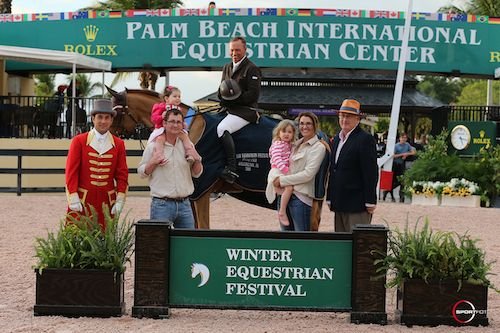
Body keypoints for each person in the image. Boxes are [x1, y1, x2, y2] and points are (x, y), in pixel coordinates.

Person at [65, 99, 129, 229]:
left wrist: (120, 198)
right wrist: (73, 196)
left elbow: (122, 174)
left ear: (111, 120)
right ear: (93, 119)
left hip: (107, 202)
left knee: (105, 240)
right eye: (99, 117)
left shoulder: (118, 144)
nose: (103, 121)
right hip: (82, 200)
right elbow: (71, 172)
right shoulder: (79, 141)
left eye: (107, 118)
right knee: (76, 238)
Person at [138, 107, 203, 229]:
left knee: (187, 244)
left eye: (178, 122)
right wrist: (153, 162)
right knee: (159, 244)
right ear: (164, 123)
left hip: (185, 205)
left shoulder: (188, 145)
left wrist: (198, 160)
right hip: (161, 205)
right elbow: (141, 173)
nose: (175, 125)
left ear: (182, 125)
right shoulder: (153, 147)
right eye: (172, 121)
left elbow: (197, 173)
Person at [327, 99, 378, 232]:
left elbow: (370, 172)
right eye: (342, 116)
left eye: (348, 116)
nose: (344, 119)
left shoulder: (365, 139)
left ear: (357, 119)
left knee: (358, 244)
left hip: (358, 204)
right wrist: (330, 197)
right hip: (339, 202)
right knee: (341, 245)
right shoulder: (337, 139)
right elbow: (333, 170)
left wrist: (370, 200)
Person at [217, 36, 261, 184]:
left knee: (222, 128)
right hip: (228, 109)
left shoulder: (252, 68)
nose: (234, 53)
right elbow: (221, 88)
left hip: (245, 111)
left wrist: (234, 100)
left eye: (237, 50)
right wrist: (222, 98)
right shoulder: (227, 67)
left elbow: (253, 94)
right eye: (232, 50)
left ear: (245, 50)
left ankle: (231, 168)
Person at [272, 112, 327, 231]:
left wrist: (281, 180)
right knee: (287, 241)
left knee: (301, 241)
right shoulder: (294, 145)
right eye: (302, 123)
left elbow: (308, 174)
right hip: (285, 197)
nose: (304, 126)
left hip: (301, 199)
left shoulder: (318, 147)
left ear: (315, 125)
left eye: (308, 123)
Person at [149, 85, 201, 165]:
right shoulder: (161, 107)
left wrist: (182, 124)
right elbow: (153, 118)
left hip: (176, 130)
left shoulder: (178, 108)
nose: (178, 98)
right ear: (167, 98)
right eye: (175, 96)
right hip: (162, 129)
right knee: (160, 139)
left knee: (185, 137)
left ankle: (189, 153)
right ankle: (159, 155)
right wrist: (161, 117)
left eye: (179, 96)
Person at [265, 119, 297, 226]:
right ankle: (282, 211)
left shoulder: (288, 145)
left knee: (284, 192)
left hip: (281, 171)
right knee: (289, 188)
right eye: (284, 131)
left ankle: (283, 209)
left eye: (289, 132)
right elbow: (277, 159)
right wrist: (287, 171)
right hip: (277, 171)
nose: (286, 134)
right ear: (279, 132)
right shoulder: (278, 144)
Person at [391, 133, 416, 203]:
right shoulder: (396, 146)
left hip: (402, 164)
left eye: (405, 138)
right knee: (394, 181)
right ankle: (389, 193)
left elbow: (413, 152)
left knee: (402, 181)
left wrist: (406, 154)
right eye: (403, 138)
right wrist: (402, 154)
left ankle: (401, 196)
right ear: (400, 138)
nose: (404, 139)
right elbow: (393, 155)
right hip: (395, 164)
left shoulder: (407, 145)